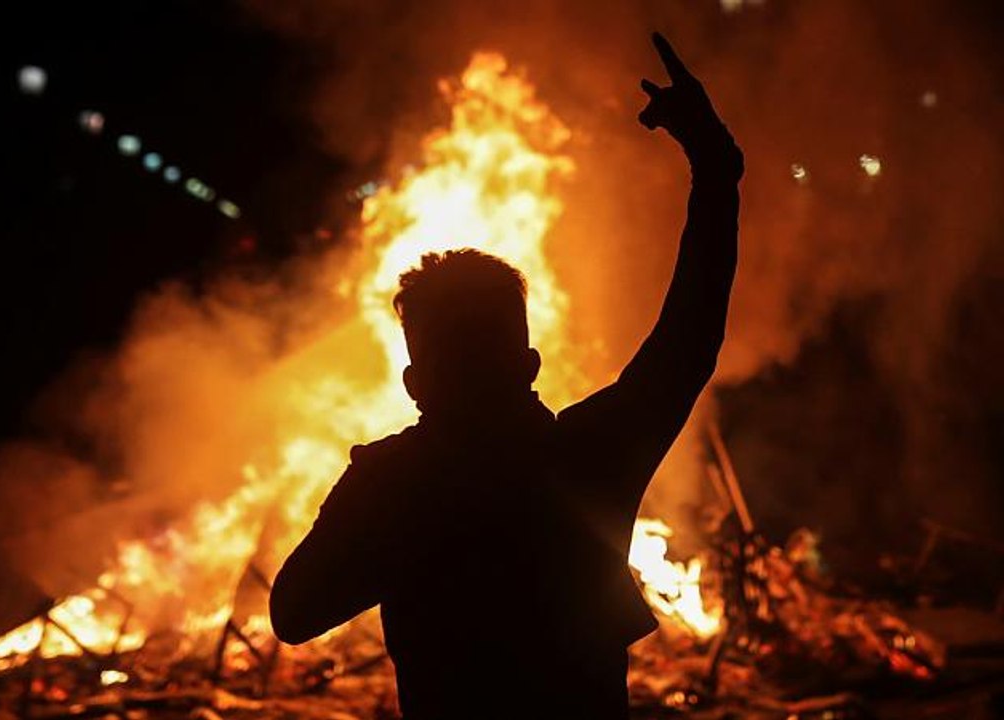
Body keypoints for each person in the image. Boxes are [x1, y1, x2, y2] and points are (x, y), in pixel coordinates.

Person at [270, 33, 743, 719]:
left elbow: (293, 613)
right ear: (529, 365)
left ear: (414, 384)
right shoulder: (590, 454)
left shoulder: (396, 482)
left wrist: (376, 492)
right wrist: (716, 174)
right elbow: (689, 341)